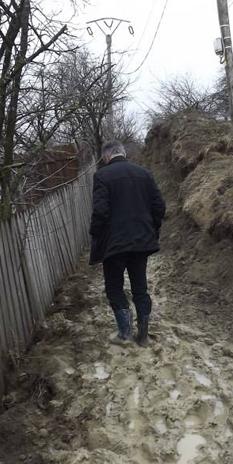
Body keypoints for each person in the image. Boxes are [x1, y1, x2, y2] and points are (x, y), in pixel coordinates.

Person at [89, 140, 166, 347]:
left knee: (114, 287)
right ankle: (143, 336)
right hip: (142, 241)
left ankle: (124, 334)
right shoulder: (144, 173)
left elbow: (100, 211)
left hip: (114, 244)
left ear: (106, 157)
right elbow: (159, 206)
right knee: (140, 287)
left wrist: (95, 233)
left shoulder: (102, 176)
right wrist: (152, 228)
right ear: (123, 153)